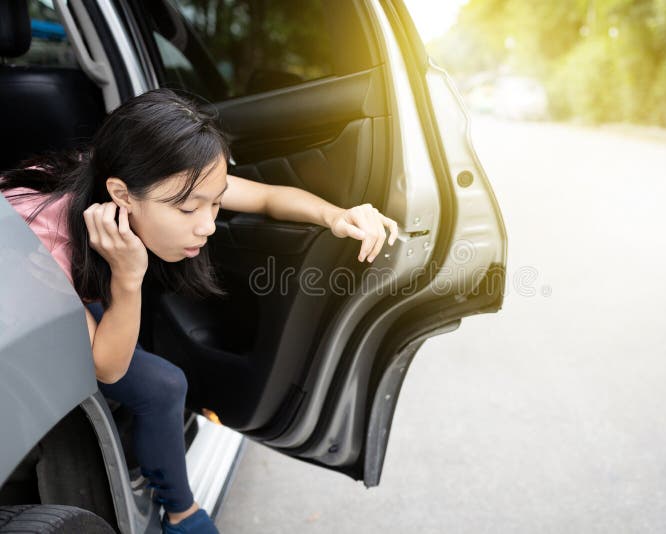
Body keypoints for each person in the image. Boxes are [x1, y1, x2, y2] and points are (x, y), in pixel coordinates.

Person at [0, 88, 398, 534]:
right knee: (161, 384)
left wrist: (337, 216)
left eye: (215, 201)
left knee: (160, 380)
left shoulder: (137, 172)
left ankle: (178, 509)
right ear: (122, 195)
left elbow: (265, 198)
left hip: (69, 281)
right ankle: (183, 516)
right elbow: (107, 368)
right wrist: (128, 278)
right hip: (19, 306)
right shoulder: (42, 249)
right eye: (190, 208)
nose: (208, 223)